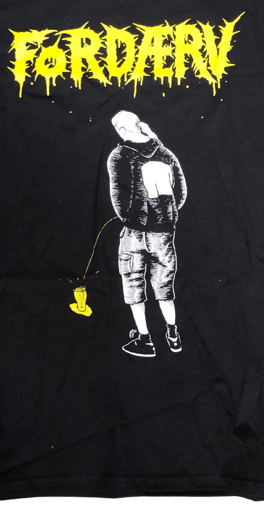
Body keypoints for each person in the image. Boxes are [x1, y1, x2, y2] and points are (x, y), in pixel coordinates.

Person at [107, 111, 187, 358]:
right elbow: (181, 192)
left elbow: (117, 197)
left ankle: (145, 340)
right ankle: (173, 335)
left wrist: (131, 219)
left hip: (135, 231)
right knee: (164, 284)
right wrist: (165, 216)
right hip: (163, 232)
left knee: (133, 282)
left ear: (121, 130)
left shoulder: (118, 155)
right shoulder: (166, 153)